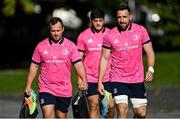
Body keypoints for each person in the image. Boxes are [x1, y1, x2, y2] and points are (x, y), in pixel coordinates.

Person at [98, 4, 155, 119]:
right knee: (122, 109)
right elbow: (104, 58)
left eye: (124, 17)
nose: (122, 20)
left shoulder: (140, 30)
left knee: (141, 113)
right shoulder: (110, 35)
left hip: (137, 78)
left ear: (130, 17)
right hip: (118, 78)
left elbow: (149, 51)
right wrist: (100, 81)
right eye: (119, 17)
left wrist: (150, 70)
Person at [24, 17, 88, 118]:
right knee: (48, 115)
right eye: (53, 31)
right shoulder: (41, 46)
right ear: (49, 30)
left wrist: (84, 79)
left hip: (64, 89)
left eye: (58, 30)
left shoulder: (71, 46)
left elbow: (78, 64)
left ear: (63, 29)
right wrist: (28, 85)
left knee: (61, 117)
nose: (56, 33)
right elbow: (34, 66)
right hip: (46, 88)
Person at [77, 8, 114, 118]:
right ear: (91, 21)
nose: (98, 23)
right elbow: (78, 59)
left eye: (100, 20)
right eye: (95, 20)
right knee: (93, 105)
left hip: (108, 77)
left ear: (104, 20)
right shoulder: (83, 36)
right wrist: (79, 78)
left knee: (110, 106)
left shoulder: (111, 34)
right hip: (90, 77)